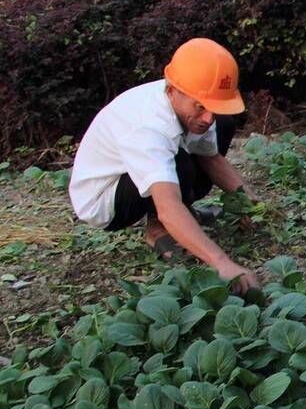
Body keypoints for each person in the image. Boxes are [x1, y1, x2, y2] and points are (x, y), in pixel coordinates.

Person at [69, 38, 260, 293]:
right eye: (201, 107)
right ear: (172, 91)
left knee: (222, 126)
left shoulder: (191, 102)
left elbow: (211, 158)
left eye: (213, 107)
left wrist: (251, 202)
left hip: (144, 172)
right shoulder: (148, 128)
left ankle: (185, 220)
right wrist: (222, 263)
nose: (207, 117)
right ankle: (158, 230)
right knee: (179, 165)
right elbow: (168, 205)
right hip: (105, 200)